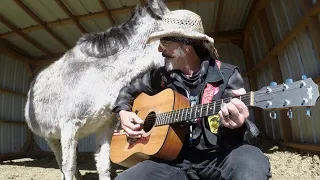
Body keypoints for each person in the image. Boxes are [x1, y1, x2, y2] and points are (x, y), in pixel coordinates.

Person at [112, 9, 271, 180]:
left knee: (251, 163)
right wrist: (123, 112)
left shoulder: (226, 74)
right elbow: (126, 91)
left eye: (164, 42)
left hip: (218, 156)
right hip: (172, 160)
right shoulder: (160, 76)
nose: (159, 49)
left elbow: (239, 131)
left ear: (185, 47)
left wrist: (238, 125)